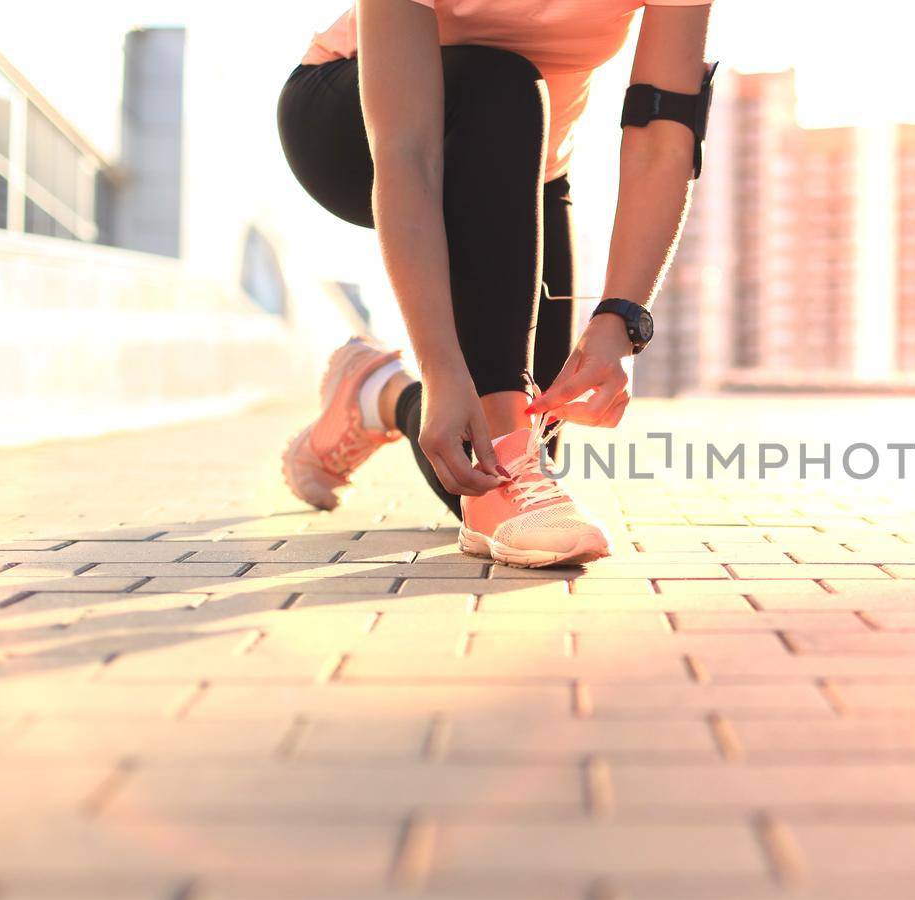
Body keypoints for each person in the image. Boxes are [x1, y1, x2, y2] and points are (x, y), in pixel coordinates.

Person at [275, 0, 714, 567]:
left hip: (531, 171)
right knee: (502, 79)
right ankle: (441, 404)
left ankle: (376, 392)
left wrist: (620, 323)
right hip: (353, 125)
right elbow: (407, 152)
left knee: (508, 455)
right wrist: (441, 366)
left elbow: (662, 137)